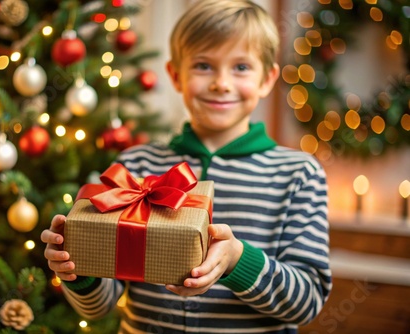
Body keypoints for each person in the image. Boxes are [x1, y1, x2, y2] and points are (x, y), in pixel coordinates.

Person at [41, 0, 331, 333]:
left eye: (241, 68)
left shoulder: (298, 174)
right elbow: (101, 306)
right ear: (176, 76)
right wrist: (78, 270)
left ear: (267, 79)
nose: (221, 83)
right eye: (203, 66)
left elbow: (307, 303)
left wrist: (238, 260)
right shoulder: (135, 166)